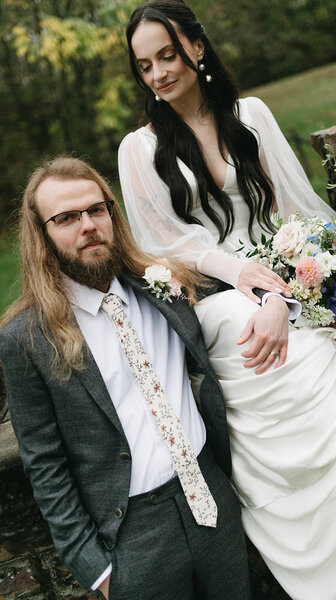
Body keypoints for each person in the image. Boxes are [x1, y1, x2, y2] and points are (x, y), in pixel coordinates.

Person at [118, 1, 336, 599]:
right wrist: (243, 274)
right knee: (284, 354)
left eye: (167, 55)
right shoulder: (139, 150)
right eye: (145, 66)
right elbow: (162, 246)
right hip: (215, 294)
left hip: (284, 270)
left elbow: (296, 214)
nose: (159, 74)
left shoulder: (251, 114)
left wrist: (294, 284)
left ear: (196, 46)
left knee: (334, 346)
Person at [0, 156, 253, 600]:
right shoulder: (25, 339)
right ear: (41, 235)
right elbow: (44, 464)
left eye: (97, 210)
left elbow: (236, 291)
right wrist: (97, 569)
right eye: (66, 218)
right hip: (133, 535)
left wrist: (272, 305)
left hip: (213, 497)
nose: (88, 226)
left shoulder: (162, 283)